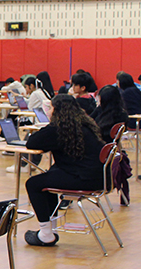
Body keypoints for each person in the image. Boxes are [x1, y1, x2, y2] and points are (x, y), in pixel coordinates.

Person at [24, 95, 105, 247]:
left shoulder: (58, 129)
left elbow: (32, 142)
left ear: (56, 110)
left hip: (83, 179)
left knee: (33, 184)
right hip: (99, 177)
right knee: (48, 178)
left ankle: (46, 233)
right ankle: (51, 230)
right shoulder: (86, 125)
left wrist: (50, 123)